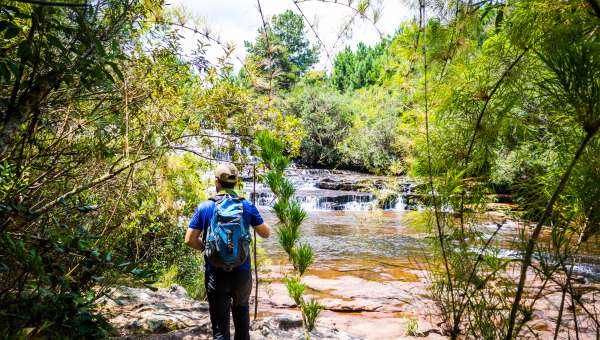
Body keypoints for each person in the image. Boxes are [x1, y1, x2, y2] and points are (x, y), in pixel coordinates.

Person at [185, 162, 270, 340]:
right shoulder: (246, 206)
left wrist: (207, 249)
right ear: (236, 182)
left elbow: (189, 240)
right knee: (242, 324)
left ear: (217, 181)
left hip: (216, 274)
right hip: (242, 273)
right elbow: (265, 233)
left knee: (219, 329)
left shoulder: (205, 207)